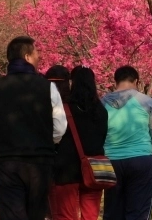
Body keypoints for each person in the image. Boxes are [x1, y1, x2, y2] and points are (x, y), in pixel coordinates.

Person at [0, 36, 67, 220]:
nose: (39, 57)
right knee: (36, 214)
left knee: (12, 214)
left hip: (7, 162)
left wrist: (4, 133)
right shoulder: (47, 87)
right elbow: (59, 128)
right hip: (40, 161)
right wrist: (46, 139)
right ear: (27, 56)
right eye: (36, 53)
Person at [100, 65, 152, 220]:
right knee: (138, 212)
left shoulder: (103, 102)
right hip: (141, 160)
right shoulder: (146, 101)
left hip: (111, 162)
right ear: (136, 81)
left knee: (113, 210)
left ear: (115, 81)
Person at [47, 66, 108, 220]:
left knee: (66, 215)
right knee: (90, 216)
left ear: (72, 83)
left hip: (66, 170)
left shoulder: (65, 109)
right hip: (94, 168)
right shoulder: (101, 110)